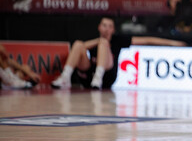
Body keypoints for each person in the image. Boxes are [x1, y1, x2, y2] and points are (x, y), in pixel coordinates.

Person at [51, 17, 185, 90]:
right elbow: (79, 48)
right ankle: (65, 77)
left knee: (103, 44)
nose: (107, 28)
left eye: (110, 26)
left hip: (107, 77)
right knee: (79, 44)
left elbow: (147, 40)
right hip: (88, 76)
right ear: (99, 27)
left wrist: (173, 43)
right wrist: (98, 40)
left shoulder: (118, 40)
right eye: (104, 25)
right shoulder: (95, 39)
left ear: (113, 29)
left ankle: (98, 77)